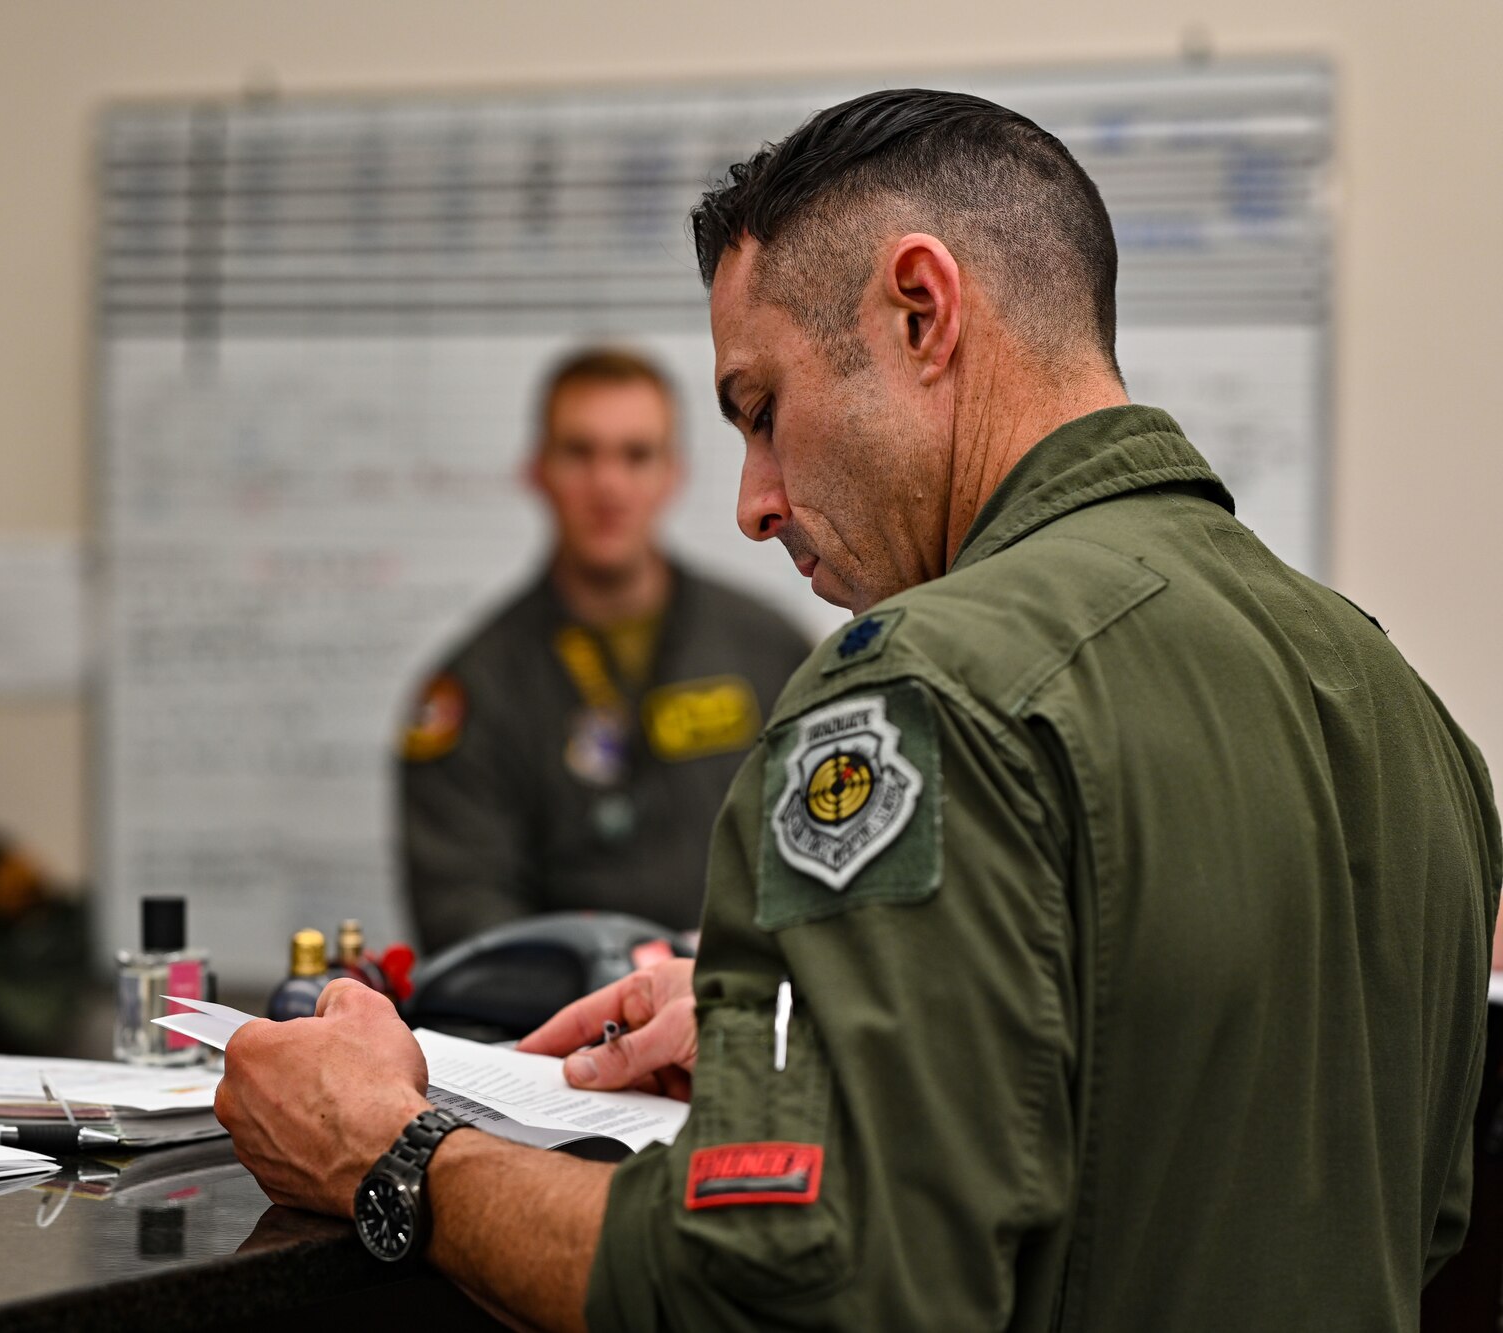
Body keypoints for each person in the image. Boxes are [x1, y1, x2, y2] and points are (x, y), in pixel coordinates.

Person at [214, 89, 1501, 1332]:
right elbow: (1413, 1215)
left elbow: (783, 1286)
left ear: (920, 312)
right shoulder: (1398, 707)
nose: (751, 502)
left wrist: (389, 1153)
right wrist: (841, 1023)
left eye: (761, 411)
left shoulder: (918, 683)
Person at [399, 347, 811, 952]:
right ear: (537, 470)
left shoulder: (768, 649)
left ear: (674, 474)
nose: (608, 484)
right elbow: (460, 909)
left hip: (739, 1015)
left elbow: (819, 854)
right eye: (580, 452)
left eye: (636, 455)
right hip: (548, 1035)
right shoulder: (471, 691)